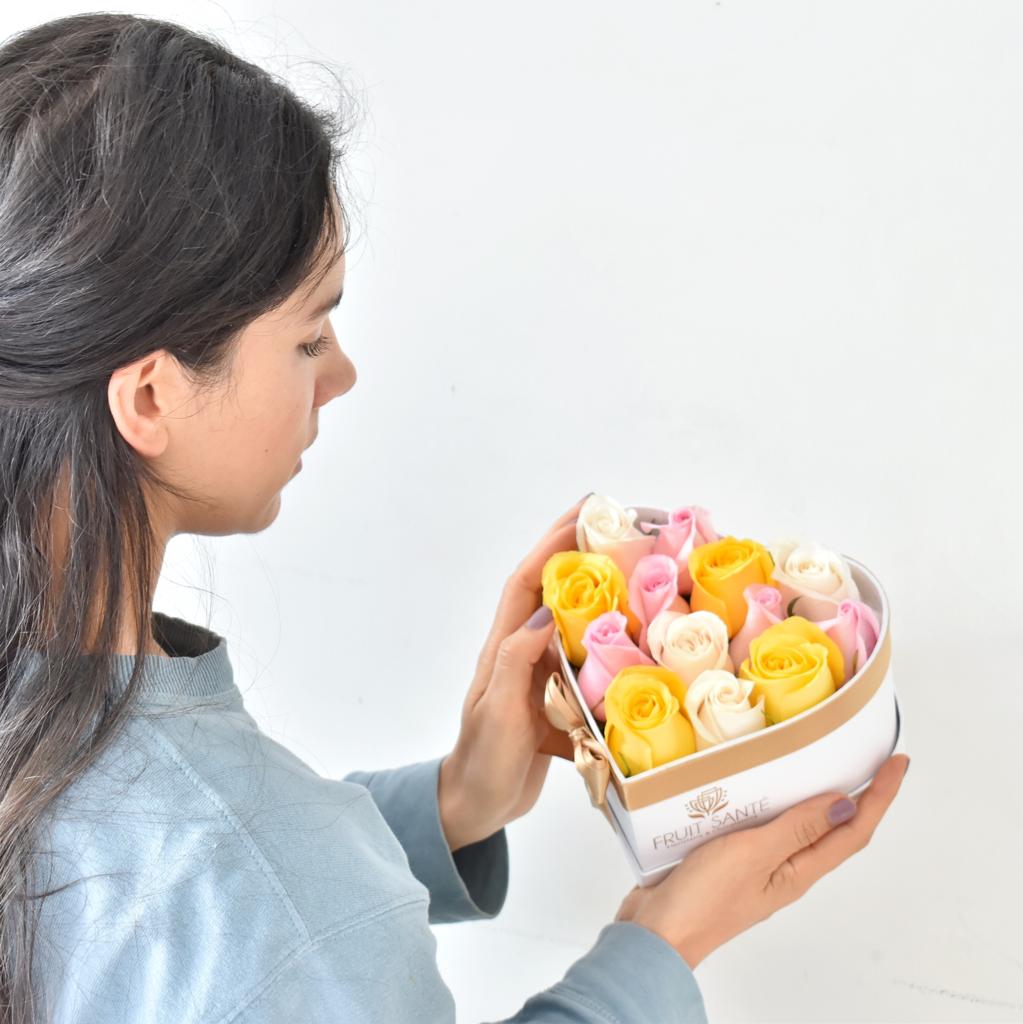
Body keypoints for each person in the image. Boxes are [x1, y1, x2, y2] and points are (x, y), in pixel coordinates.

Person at [0, 12, 909, 1024]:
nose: (343, 374)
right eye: (309, 337)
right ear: (151, 397)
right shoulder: (251, 881)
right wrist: (662, 943)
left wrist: (455, 805)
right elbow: (255, 912)